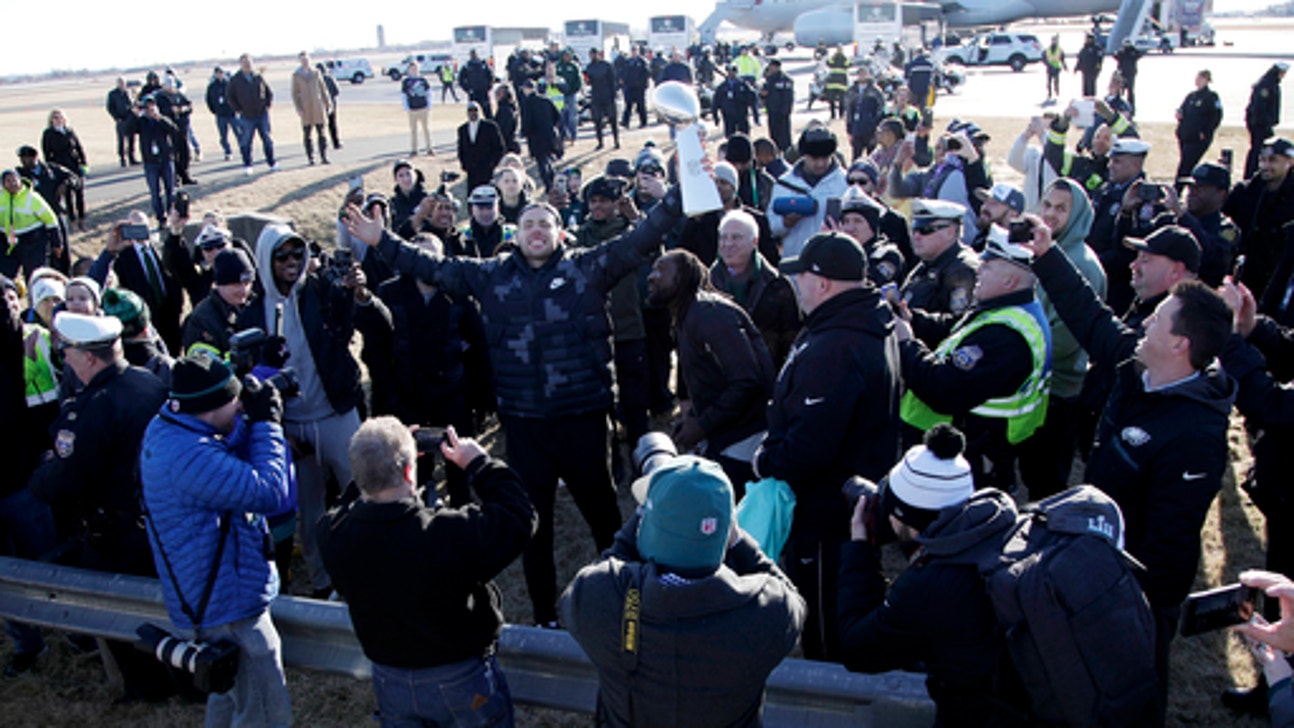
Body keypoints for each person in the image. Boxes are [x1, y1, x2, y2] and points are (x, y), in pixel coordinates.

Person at [344, 175, 689, 628]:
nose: (537, 231)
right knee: (533, 528)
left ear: (561, 233)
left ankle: (629, 605)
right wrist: (381, 241)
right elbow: (430, 267)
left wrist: (681, 190)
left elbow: (641, 238)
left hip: (583, 422)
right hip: (525, 429)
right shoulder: (490, 277)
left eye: (545, 224)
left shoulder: (588, 268)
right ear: (516, 233)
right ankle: (546, 616)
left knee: (606, 520)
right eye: (528, 224)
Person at [1021, 222, 1236, 718]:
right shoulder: (1136, 368)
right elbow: (1091, 318)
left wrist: (1129, 600)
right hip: (1095, 562)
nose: (1144, 324)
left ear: (1181, 344)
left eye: (1158, 319)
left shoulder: (1195, 435)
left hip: (1133, 591)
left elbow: (1169, 542)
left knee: (1134, 690)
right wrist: (1048, 253)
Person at [561, 452, 804, 728]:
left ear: (649, 530)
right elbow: (792, 597)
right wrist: (738, 541)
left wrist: (639, 522)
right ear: (725, 533)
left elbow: (604, 566)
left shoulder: (600, 598)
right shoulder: (766, 613)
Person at [319, 419, 534, 727]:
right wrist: (479, 463)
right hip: (460, 677)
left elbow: (342, 505)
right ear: (409, 471)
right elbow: (519, 516)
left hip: (389, 678)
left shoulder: (333, 534)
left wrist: (371, 467)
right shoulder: (445, 533)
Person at [752, 231, 902, 661]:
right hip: (848, 501)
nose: (795, 284)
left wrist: (766, 461)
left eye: (800, 275)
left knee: (827, 618)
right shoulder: (860, 319)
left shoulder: (837, 345)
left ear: (822, 282)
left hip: (827, 513)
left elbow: (810, 447)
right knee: (848, 598)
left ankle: (831, 693)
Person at [839, 424, 1032, 726]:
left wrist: (861, 547)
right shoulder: (1001, 526)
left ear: (901, 515)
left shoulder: (932, 585)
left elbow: (857, 649)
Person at [237, 225, 392, 599]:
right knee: (311, 514)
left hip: (336, 413)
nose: (292, 263)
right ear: (265, 261)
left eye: (297, 253)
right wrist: (277, 429)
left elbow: (380, 328)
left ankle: (381, 565)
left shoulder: (323, 291)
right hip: (290, 425)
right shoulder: (251, 313)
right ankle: (323, 581)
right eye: (282, 256)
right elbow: (244, 382)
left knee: (368, 492)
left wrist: (360, 293)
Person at [139, 353, 293, 727]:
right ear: (209, 408)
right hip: (230, 608)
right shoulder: (189, 456)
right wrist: (267, 424)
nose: (241, 404)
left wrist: (248, 422)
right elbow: (270, 490)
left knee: (228, 698)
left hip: (210, 598)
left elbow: (220, 456)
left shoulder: (172, 428)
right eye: (235, 400)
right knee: (265, 713)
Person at [28, 312, 174, 700]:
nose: (65, 358)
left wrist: (42, 474)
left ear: (89, 358)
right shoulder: (149, 383)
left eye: (68, 351)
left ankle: (144, 685)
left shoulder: (92, 409)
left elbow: (65, 481)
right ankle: (175, 672)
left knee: (118, 614)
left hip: (115, 534)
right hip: (159, 521)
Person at [648, 248, 776, 490]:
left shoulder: (710, 314)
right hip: (727, 433)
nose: (651, 276)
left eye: (661, 269)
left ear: (684, 276)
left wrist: (703, 425)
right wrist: (694, 417)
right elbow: (713, 379)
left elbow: (747, 379)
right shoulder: (688, 314)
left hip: (745, 437)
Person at [1015, 179, 1105, 498]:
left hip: (1059, 388)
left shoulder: (1081, 263)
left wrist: (1015, 349)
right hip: (1036, 382)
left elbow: (1066, 338)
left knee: (1048, 479)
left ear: (1077, 214)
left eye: (1061, 208)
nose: (1050, 215)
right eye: (1048, 205)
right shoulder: (1046, 252)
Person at [709, 209, 800, 368]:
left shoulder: (777, 285)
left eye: (736, 237)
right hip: (717, 381)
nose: (728, 244)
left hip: (764, 378)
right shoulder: (706, 286)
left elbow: (791, 340)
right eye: (723, 237)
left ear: (755, 242)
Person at [1225, 136, 1294, 300]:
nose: (1266, 166)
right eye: (1262, 160)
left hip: (1277, 276)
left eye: (1273, 160)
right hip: (1244, 273)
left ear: (1290, 162)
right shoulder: (1244, 192)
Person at [767, 124, 849, 259]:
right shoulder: (785, 183)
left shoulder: (845, 182)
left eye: (825, 157)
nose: (820, 164)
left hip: (833, 262)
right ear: (803, 155)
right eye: (814, 158)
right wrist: (785, 223)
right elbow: (770, 225)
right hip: (796, 263)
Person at [108, 212, 184, 354]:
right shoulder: (123, 257)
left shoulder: (159, 247)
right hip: (147, 316)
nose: (139, 232)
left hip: (169, 311)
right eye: (134, 227)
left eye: (143, 226)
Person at [900, 199, 979, 321]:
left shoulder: (962, 270)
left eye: (925, 230)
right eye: (914, 229)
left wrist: (913, 319)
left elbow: (958, 322)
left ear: (950, 233)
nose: (916, 236)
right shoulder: (927, 263)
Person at [182, 247, 256, 355]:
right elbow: (203, 365)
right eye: (236, 284)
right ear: (219, 284)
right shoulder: (201, 320)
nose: (243, 290)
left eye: (247, 283)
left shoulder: (257, 307)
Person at [0, 169, 63, 281]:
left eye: (14, 180)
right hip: (8, 243)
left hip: (33, 242)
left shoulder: (32, 198)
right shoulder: (1, 198)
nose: (12, 183)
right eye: (8, 181)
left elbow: (51, 220)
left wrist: (56, 243)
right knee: (5, 276)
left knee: (35, 276)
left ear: (20, 180)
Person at [227, 53, 278, 175]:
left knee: (267, 139)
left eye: (249, 62)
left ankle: (272, 163)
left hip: (261, 114)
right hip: (246, 116)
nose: (247, 64)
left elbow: (268, 92)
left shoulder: (258, 77)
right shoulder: (235, 80)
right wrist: (238, 109)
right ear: (240, 64)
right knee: (246, 141)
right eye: (244, 62)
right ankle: (248, 165)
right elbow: (230, 97)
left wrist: (267, 105)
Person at [1175, 70, 1224, 188]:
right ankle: (1187, 189)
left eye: (1201, 78)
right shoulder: (1191, 96)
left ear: (1207, 80)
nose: (1197, 81)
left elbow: (1216, 116)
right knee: (1186, 164)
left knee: (1186, 166)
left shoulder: (1211, 97)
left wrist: (1206, 132)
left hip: (1198, 138)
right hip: (1186, 135)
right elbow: (1182, 109)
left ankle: (1177, 190)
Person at [41, 109, 87, 232]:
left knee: (80, 194)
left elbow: (78, 147)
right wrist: (51, 169)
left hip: (74, 165)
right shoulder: (48, 134)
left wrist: (84, 163)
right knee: (68, 196)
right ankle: (72, 221)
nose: (58, 119)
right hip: (61, 167)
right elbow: (47, 154)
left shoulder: (69, 131)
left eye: (60, 117)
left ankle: (82, 220)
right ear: (51, 120)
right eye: (55, 117)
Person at [1244, 63, 1286, 178]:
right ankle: (1251, 174)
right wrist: (1266, 121)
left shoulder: (1269, 83)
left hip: (1261, 123)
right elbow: (1259, 107)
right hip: (1260, 125)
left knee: (1259, 149)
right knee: (1258, 150)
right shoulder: (1266, 85)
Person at [291, 52, 333, 165]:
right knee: (307, 134)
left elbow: (323, 89)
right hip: (306, 108)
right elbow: (295, 94)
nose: (305, 62)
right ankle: (311, 158)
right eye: (302, 60)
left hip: (318, 106)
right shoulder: (296, 75)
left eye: (307, 60)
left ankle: (324, 156)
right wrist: (298, 108)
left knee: (322, 133)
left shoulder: (316, 72)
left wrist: (328, 104)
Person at [519, 80, 560, 191]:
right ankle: (553, 180)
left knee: (541, 162)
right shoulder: (545, 99)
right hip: (549, 134)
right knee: (548, 159)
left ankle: (548, 185)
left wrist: (524, 132)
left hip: (536, 137)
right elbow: (557, 115)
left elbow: (527, 121)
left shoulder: (527, 103)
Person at [457, 101, 505, 192]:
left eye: (475, 110)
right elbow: (461, 149)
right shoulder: (462, 129)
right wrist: (464, 164)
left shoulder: (490, 127)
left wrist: (492, 163)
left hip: (487, 169)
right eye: (470, 111)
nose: (473, 113)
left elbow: (499, 147)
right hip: (472, 170)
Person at [845, 68, 886, 161]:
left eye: (864, 74)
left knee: (872, 155)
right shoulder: (852, 91)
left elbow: (881, 107)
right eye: (860, 74)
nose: (862, 76)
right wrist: (849, 128)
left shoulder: (875, 91)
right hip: (856, 127)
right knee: (856, 155)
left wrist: (876, 122)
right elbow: (848, 110)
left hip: (871, 128)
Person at [585, 48, 619, 150]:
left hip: (608, 96)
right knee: (597, 121)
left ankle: (616, 141)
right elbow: (589, 81)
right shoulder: (589, 67)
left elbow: (613, 81)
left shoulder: (607, 65)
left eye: (594, 54)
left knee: (613, 120)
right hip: (596, 96)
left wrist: (613, 95)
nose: (593, 56)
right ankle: (600, 142)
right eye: (591, 55)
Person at [712, 66, 757, 139]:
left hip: (741, 115)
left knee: (744, 137)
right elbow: (716, 102)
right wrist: (716, 117)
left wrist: (755, 115)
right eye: (729, 71)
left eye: (732, 71)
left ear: (736, 72)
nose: (730, 73)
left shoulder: (743, 85)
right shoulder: (722, 87)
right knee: (730, 137)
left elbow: (752, 99)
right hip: (728, 116)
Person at [400, 61, 434, 157]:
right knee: (413, 130)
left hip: (423, 107)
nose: (414, 70)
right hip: (412, 109)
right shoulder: (406, 82)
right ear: (409, 70)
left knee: (426, 129)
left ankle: (429, 148)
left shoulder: (423, 80)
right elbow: (404, 95)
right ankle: (414, 149)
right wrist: (406, 107)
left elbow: (429, 92)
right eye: (412, 69)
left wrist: (429, 105)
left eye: (415, 68)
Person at [762, 58, 794, 153]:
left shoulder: (785, 80)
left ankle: (787, 153)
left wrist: (786, 110)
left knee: (784, 136)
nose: (771, 69)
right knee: (773, 136)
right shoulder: (769, 80)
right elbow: (763, 94)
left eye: (773, 67)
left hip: (783, 112)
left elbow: (788, 97)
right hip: (772, 111)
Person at [205, 67, 236, 162]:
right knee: (223, 135)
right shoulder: (212, 86)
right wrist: (214, 110)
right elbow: (208, 100)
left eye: (221, 72)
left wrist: (236, 108)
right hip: (220, 115)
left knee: (239, 133)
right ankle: (227, 152)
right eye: (217, 73)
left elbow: (236, 96)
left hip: (232, 113)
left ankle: (245, 151)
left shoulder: (229, 84)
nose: (219, 74)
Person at [107, 77, 138, 167]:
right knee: (121, 140)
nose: (122, 84)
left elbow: (134, 103)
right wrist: (116, 118)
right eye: (120, 83)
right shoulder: (113, 94)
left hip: (131, 119)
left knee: (132, 139)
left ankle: (132, 158)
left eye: (123, 83)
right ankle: (122, 159)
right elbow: (110, 107)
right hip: (121, 120)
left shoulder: (128, 92)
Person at [620, 45, 651, 130]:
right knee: (628, 105)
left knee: (641, 106)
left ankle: (643, 122)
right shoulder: (628, 61)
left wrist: (643, 84)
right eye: (632, 50)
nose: (634, 52)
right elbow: (624, 72)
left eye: (635, 50)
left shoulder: (642, 61)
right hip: (630, 87)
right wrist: (624, 81)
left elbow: (647, 73)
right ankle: (625, 122)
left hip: (639, 88)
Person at [458, 49, 495, 118]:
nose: (473, 55)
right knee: (473, 113)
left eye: (474, 54)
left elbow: (490, 76)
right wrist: (467, 89)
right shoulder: (467, 66)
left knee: (488, 113)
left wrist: (488, 86)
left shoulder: (483, 64)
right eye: (472, 54)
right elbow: (461, 79)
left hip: (483, 92)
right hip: (473, 93)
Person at [317, 62, 343, 150]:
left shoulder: (315, 80)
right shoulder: (329, 78)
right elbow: (337, 91)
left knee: (321, 126)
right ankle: (336, 143)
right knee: (332, 124)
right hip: (331, 104)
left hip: (320, 105)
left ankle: (323, 145)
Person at [1113, 40, 1143, 115]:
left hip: (1130, 74)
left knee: (1130, 91)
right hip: (1122, 73)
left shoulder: (1132, 52)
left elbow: (1139, 54)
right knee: (1119, 91)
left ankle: (1131, 108)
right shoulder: (1122, 53)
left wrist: (1132, 49)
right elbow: (1115, 55)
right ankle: (1118, 107)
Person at [1075, 33, 1103, 98]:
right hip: (1085, 70)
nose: (1087, 40)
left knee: (1091, 86)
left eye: (1089, 39)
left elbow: (1099, 59)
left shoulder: (1096, 48)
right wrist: (1077, 67)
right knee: (1085, 86)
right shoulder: (1084, 48)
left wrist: (1097, 69)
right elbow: (1080, 59)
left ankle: (1092, 98)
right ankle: (1085, 98)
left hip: (1092, 70)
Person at [494, 85, 520, 155]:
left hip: (507, 145)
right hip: (510, 142)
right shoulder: (511, 107)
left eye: (498, 94)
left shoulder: (505, 110)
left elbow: (504, 129)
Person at [1044, 35, 1066, 102]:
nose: (1054, 41)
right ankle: (1049, 93)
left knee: (1056, 81)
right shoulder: (1048, 49)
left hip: (1056, 67)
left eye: (1055, 40)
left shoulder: (1059, 49)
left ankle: (1056, 91)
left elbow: (1062, 58)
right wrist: (1047, 64)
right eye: (1053, 40)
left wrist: (1064, 66)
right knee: (1049, 82)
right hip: (1049, 67)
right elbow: (1044, 58)